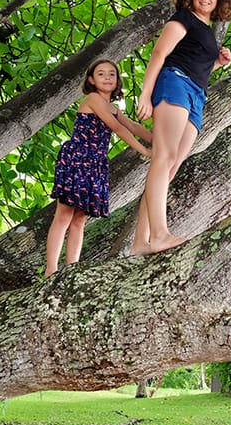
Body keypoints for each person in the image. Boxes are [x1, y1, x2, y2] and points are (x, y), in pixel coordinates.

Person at [131, 0, 231, 255]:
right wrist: (145, 94)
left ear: (219, 1)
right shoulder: (184, 18)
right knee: (163, 157)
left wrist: (217, 62)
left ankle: (141, 242)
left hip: (196, 95)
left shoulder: (207, 30)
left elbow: (198, 67)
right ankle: (160, 234)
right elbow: (159, 53)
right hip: (174, 82)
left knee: (172, 165)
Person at [45, 59, 152, 277]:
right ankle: (51, 269)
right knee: (64, 215)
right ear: (91, 80)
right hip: (78, 157)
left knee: (80, 220)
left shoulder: (113, 108)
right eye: (101, 74)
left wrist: (159, 139)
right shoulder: (93, 99)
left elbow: (131, 125)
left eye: (112, 74)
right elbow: (117, 129)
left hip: (95, 164)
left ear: (117, 80)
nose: (107, 77)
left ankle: (71, 269)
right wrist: (145, 151)